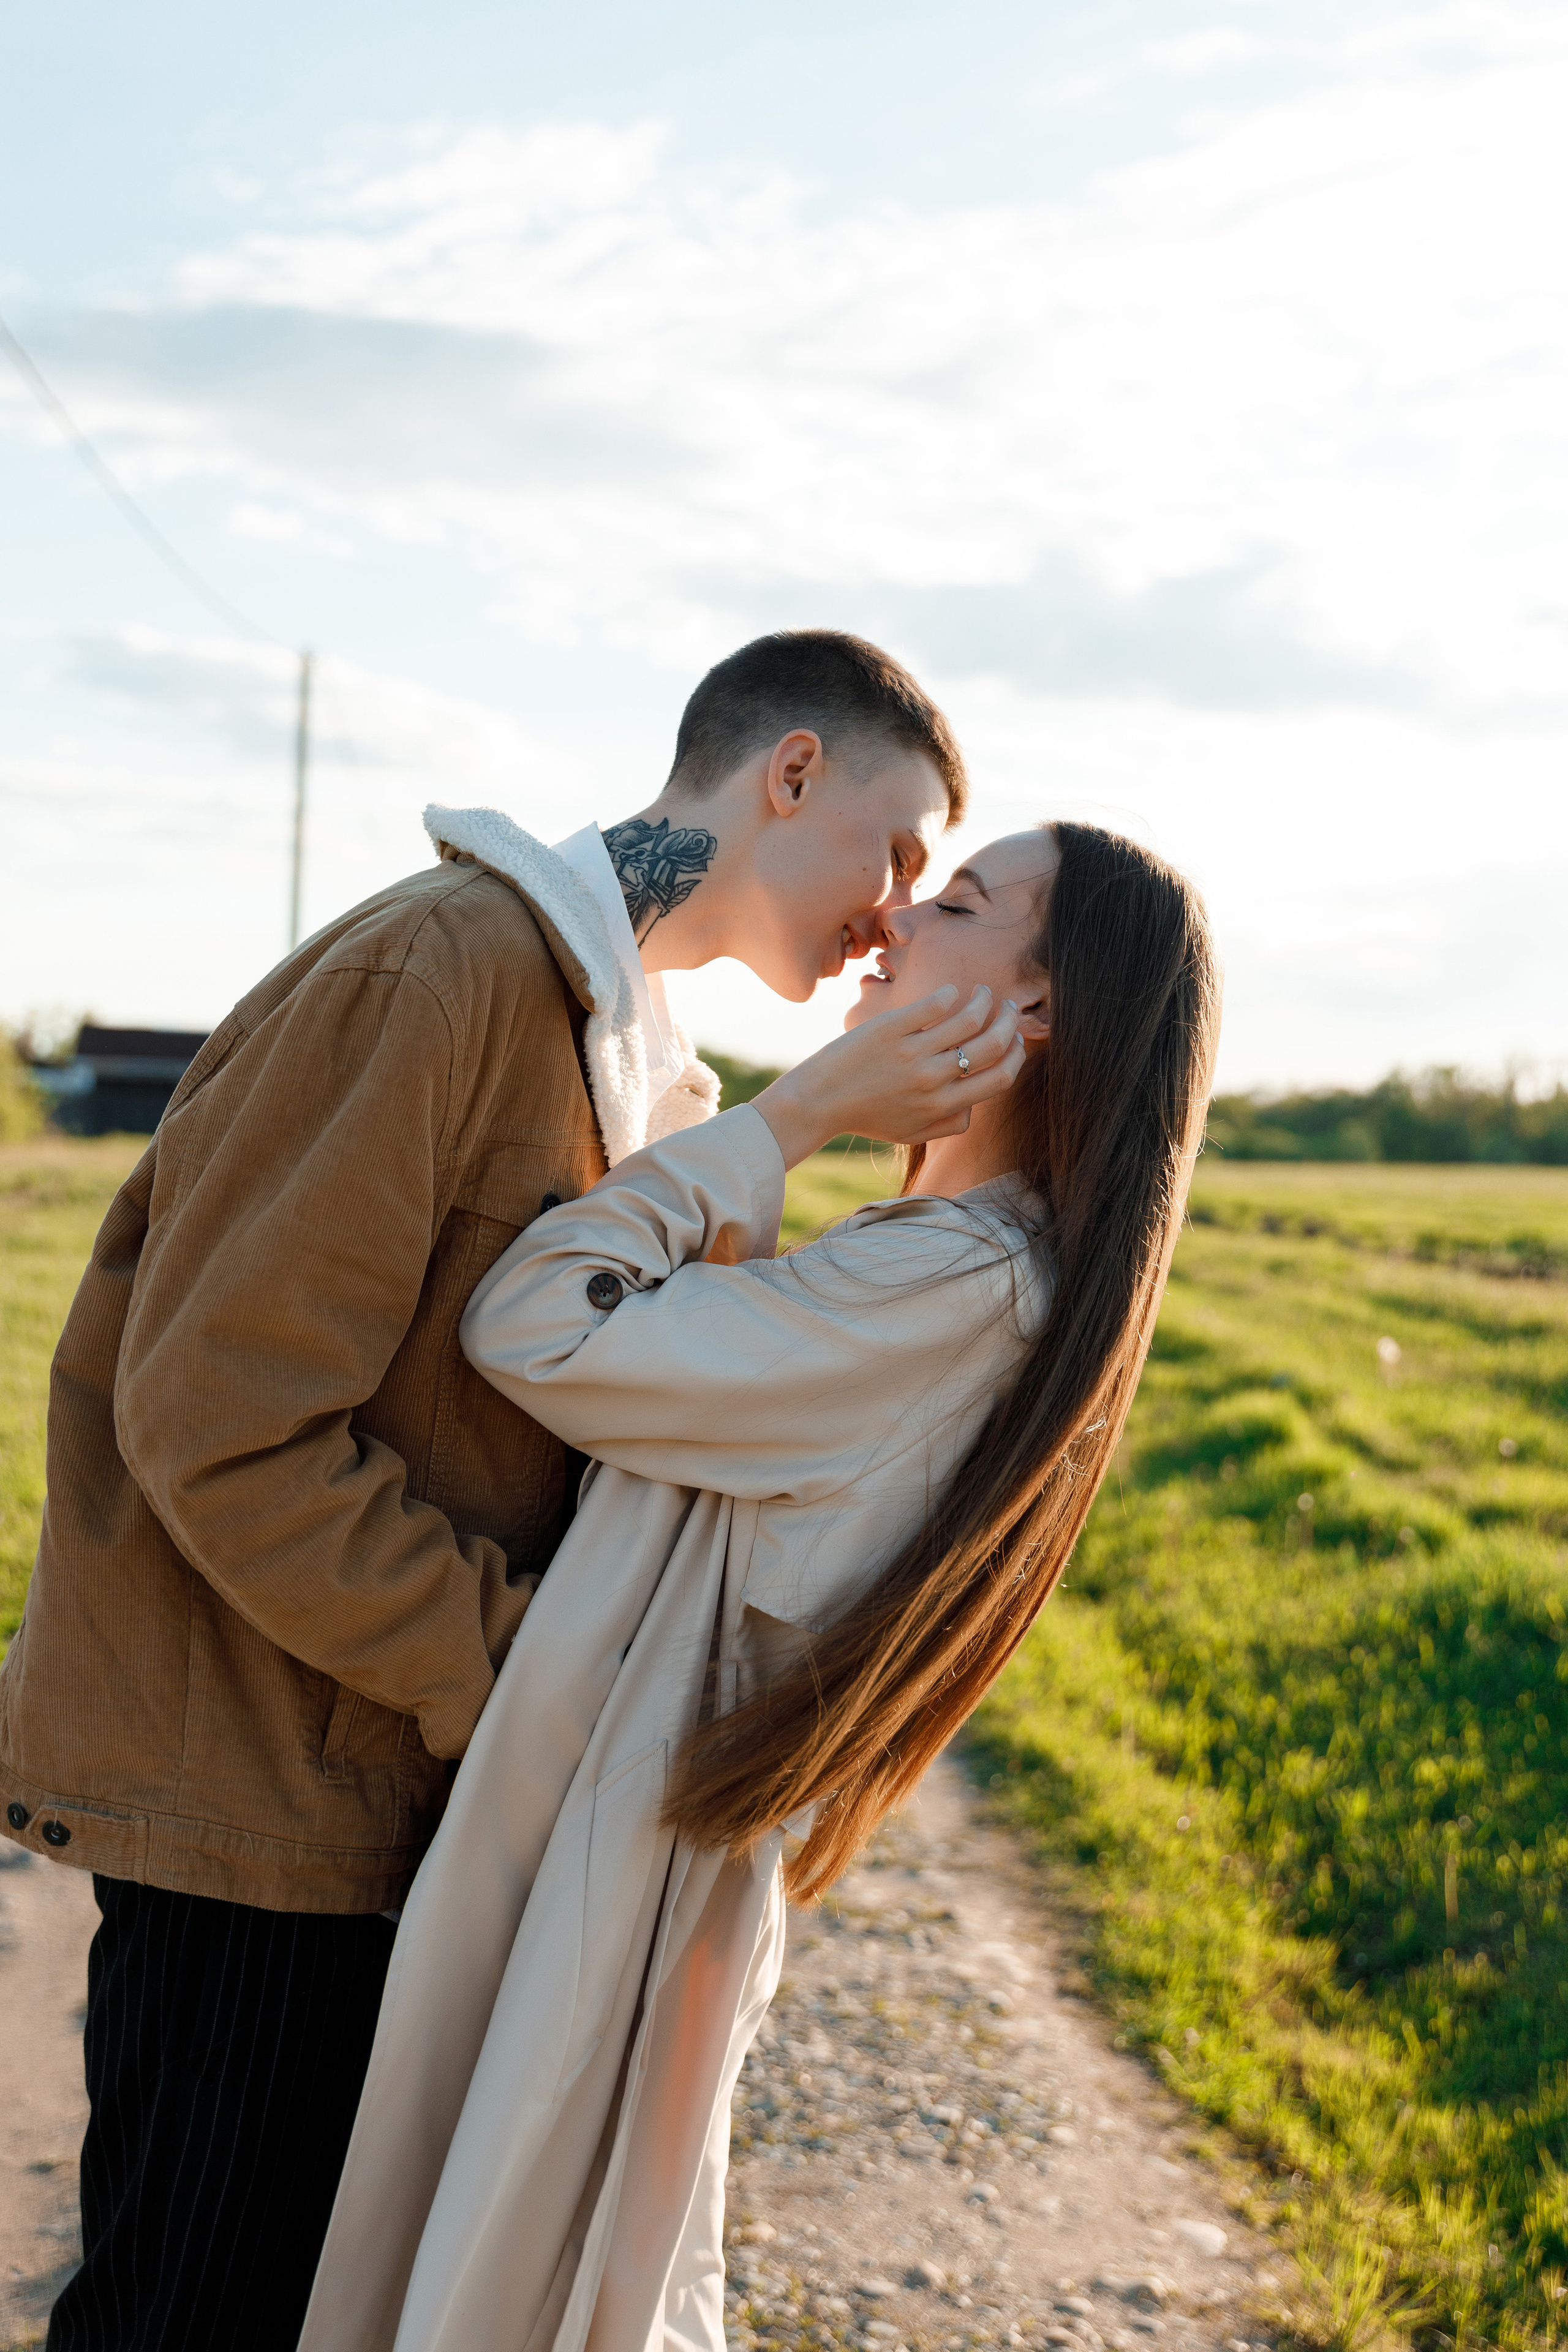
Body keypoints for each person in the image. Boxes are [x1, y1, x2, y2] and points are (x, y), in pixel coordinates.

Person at [0, 628, 971, 2352]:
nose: (898, 911)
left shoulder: (642, 1066)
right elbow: (222, 1421)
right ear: (791, 772)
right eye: (895, 851)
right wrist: (533, 1675)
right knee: (191, 2315)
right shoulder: (445, 973)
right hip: (260, 1816)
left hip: (386, 1810)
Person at [300, 821, 1221, 2352]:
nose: (893, 926)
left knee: (506, 2294)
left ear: (1035, 1013)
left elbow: (535, 1321)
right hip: (615, 1847)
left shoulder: (959, 1286)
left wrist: (795, 1117)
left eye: (959, 904)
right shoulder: (940, 1258)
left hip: (624, 1872)